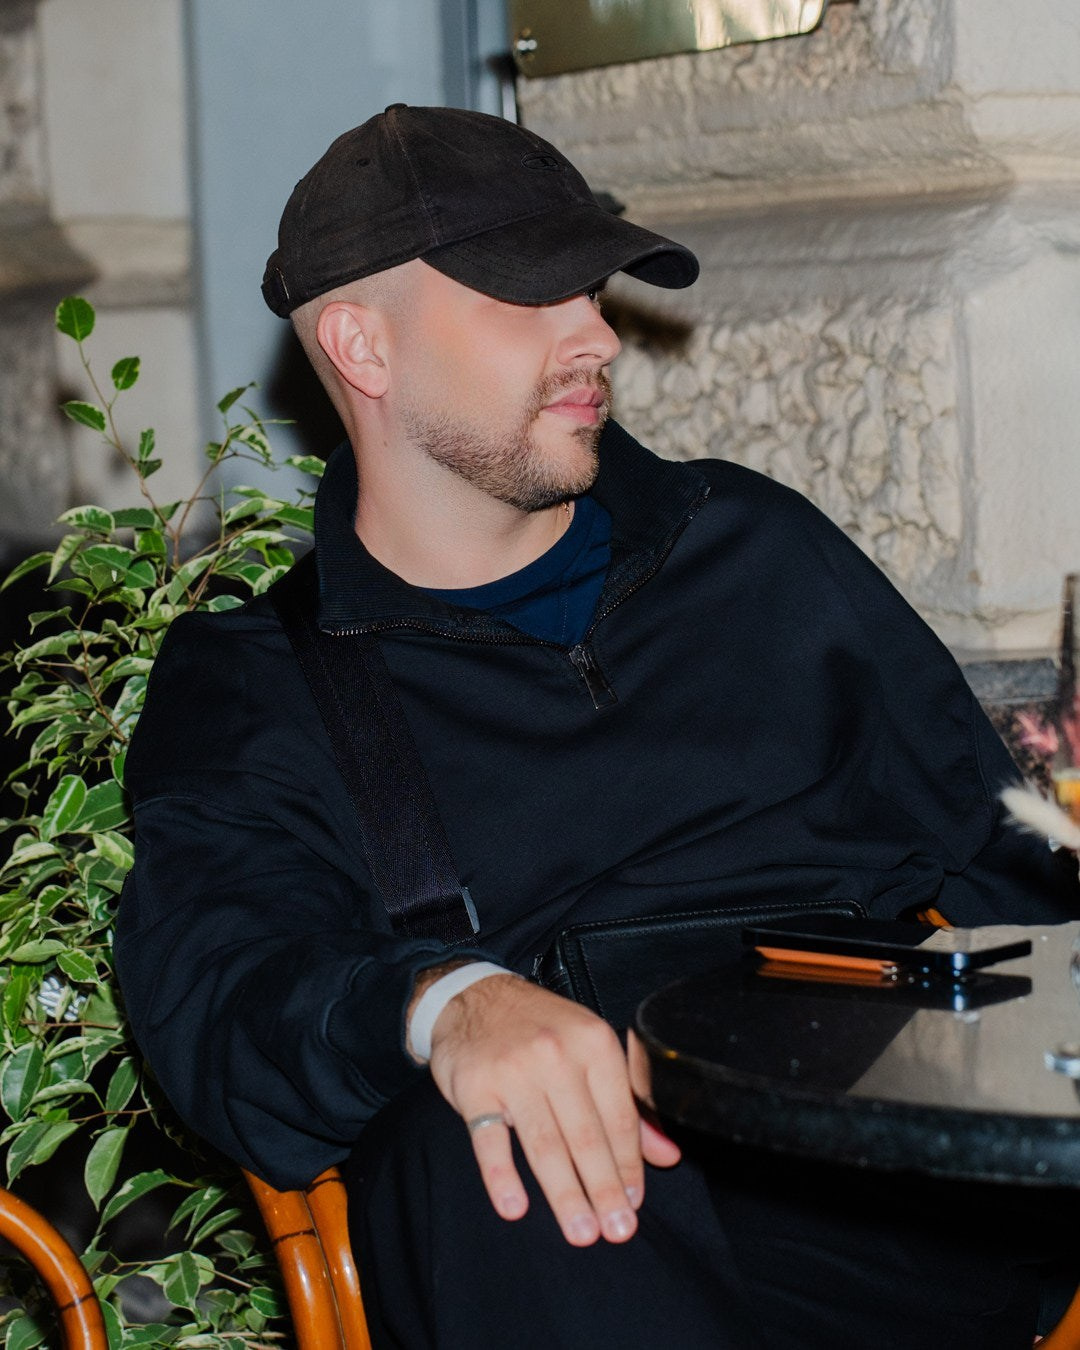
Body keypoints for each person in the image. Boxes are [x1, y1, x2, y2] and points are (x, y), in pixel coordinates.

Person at [115, 104, 1079, 1348]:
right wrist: (448, 1005)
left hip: (885, 1206)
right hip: (576, 1230)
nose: (597, 335)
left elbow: (1007, 861)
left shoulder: (756, 553)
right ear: (362, 345)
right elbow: (221, 989)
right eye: (531, 295)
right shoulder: (265, 682)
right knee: (496, 1151)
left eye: (590, 289)